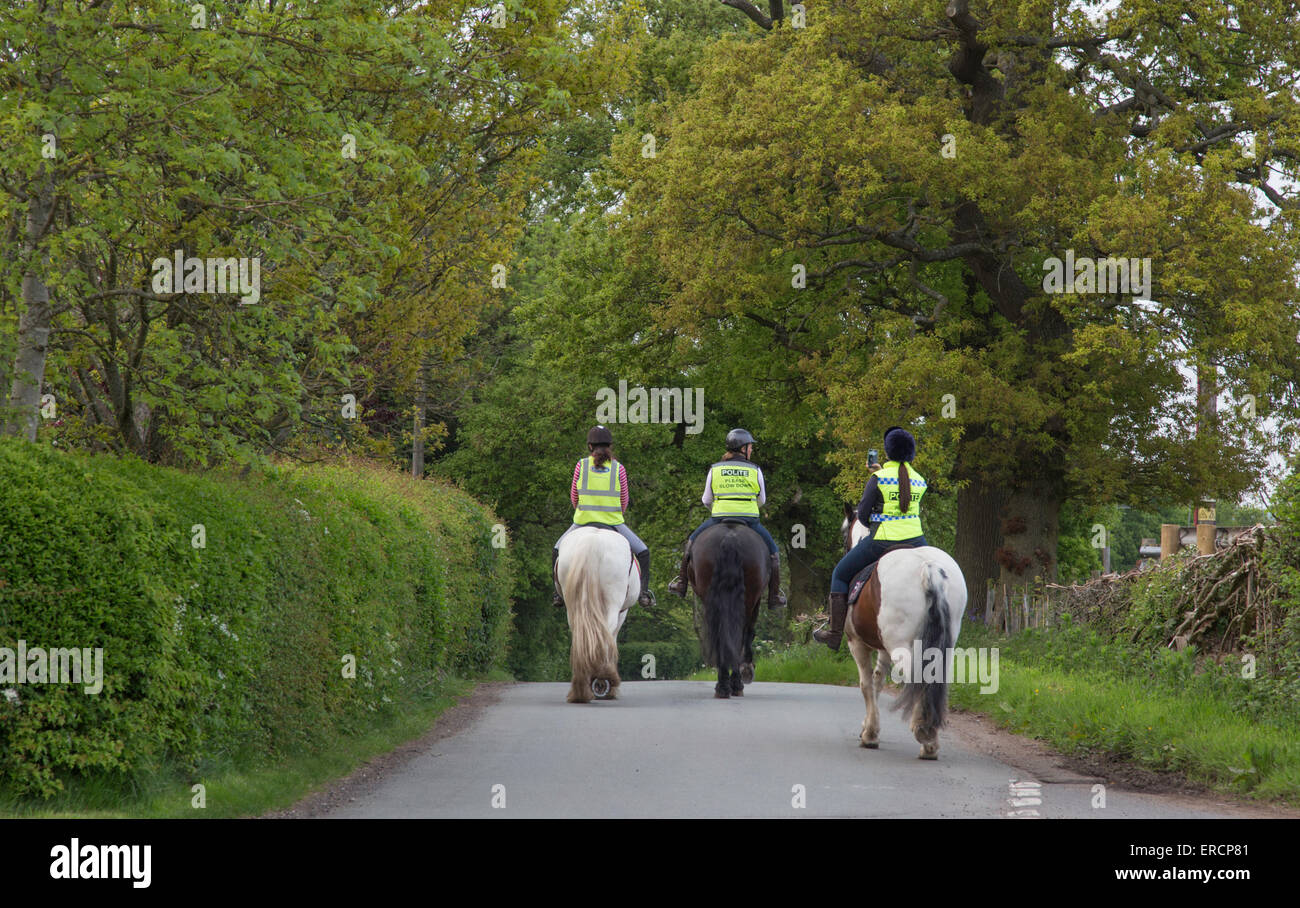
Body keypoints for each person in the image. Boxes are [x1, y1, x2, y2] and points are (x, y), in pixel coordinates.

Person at [814, 426, 928, 651]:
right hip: (917, 541)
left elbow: (863, 517)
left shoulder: (878, 478)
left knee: (840, 573)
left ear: (888, 451)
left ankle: (835, 633)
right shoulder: (919, 480)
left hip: (884, 541)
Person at [666, 428, 786, 609]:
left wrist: (718, 509)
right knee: (774, 553)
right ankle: (775, 595)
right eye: (750, 446)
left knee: (690, 544)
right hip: (750, 519)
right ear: (743, 448)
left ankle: (681, 583)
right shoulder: (755, 469)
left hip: (719, 517)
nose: (752, 450)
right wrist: (747, 507)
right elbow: (762, 500)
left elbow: (706, 500)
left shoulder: (716, 469)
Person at [553, 425, 656, 608]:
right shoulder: (619, 469)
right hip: (613, 523)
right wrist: (615, 513)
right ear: (609, 446)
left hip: (582, 521)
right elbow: (624, 500)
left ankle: (558, 595)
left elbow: (574, 497)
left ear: (590, 446)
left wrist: (582, 510)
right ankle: (643, 595)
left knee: (556, 550)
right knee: (643, 552)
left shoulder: (581, 465)